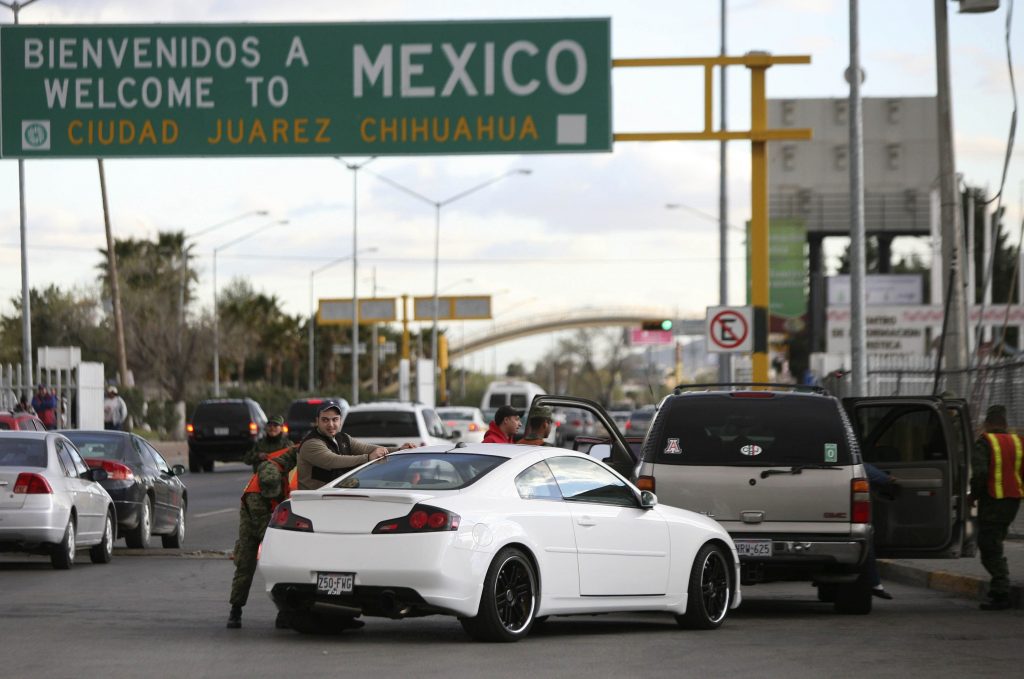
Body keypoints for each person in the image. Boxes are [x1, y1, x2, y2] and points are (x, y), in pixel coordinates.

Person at [227, 447, 297, 629]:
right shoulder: (255, 496)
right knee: (245, 566)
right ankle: (236, 611)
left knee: (284, 569)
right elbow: (263, 530)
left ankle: (284, 613)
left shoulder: (289, 462)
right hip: (253, 524)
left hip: (275, 518)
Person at [970, 404, 1023, 611]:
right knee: (996, 540)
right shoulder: (1018, 441)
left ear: (987, 423)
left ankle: (1001, 590)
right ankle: (998, 588)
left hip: (994, 500)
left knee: (989, 545)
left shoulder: (986, 442)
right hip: (1013, 500)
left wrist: (972, 496)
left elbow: (981, 473)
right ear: (1004, 422)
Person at [296, 401, 409, 491]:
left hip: (337, 496)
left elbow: (367, 448)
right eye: (325, 420)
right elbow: (333, 461)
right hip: (313, 500)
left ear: (340, 421)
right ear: (317, 421)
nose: (331, 424)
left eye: (335, 419)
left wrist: (400, 450)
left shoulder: (343, 438)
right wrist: (368, 458)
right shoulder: (311, 443)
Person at [862, 461, 899, 600]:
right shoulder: (859, 466)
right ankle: (875, 584)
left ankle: (875, 584)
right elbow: (886, 480)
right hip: (842, 522)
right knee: (866, 544)